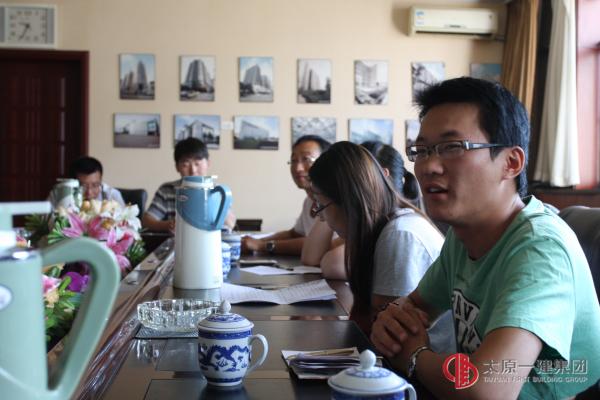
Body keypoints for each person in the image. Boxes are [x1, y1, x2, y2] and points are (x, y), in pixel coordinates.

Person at [370, 77, 600, 399]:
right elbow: (412, 310)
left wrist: (414, 355)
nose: (429, 166)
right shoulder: (463, 234)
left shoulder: (540, 249)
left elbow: (486, 390)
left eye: (452, 147)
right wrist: (391, 321)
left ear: (511, 163)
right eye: (421, 150)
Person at [307, 141, 452, 350]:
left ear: (348, 200)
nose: (320, 217)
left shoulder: (399, 236)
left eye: (321, 205)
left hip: (429, 365)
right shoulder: (382, 229)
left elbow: (392, 343)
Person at [301, 141, 423, 278]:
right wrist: (326, 201)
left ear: (380, 179)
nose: (351, 189)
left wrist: (330, 201)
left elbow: (333, 263)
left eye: (353, 180)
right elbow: (311, 257)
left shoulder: (398, 233)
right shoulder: (376, 227)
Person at [241, 135, 331, 256]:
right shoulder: (309, 201)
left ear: (326, 162)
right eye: (294, 160)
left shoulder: (334, 203)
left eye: (306, 159)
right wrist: (257, 241)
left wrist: (261, 246)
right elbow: (294, 234)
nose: (298, 168)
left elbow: (318, 245)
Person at [143, 137, 236, 233]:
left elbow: (230, 224)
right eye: (185, 164)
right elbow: (147, 221)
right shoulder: (167, 190)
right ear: (177, 167)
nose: (193, 170)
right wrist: (169, 225)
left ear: (208, 163)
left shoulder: (218, 190)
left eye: (197, 163)